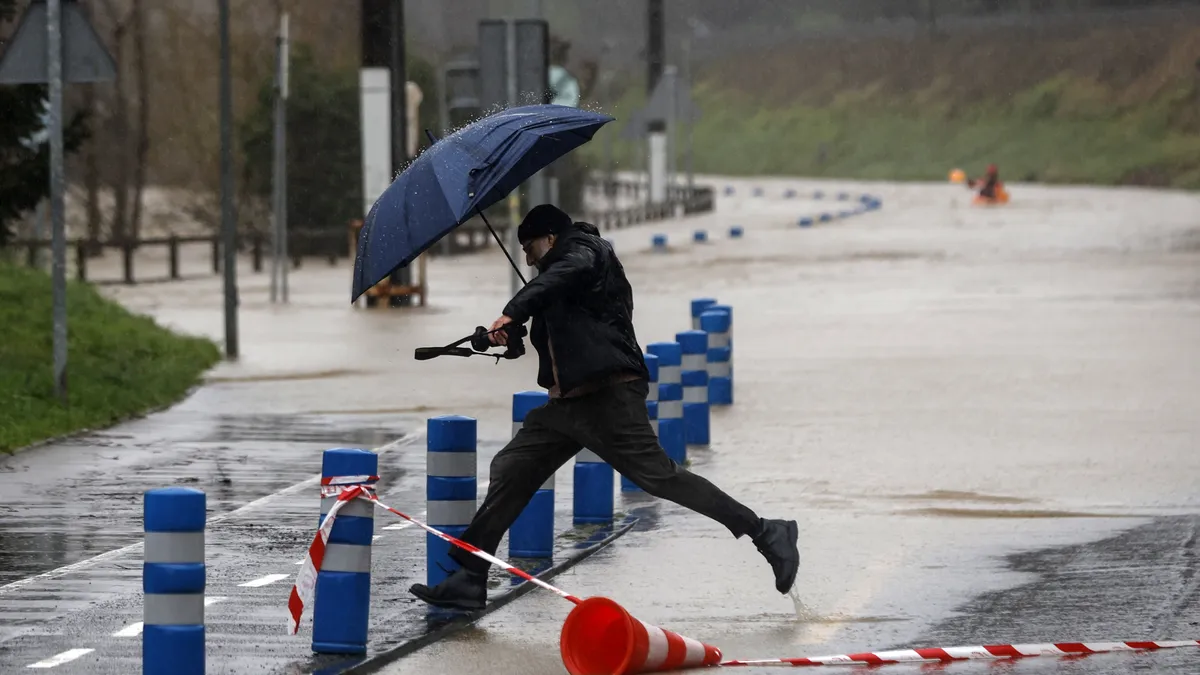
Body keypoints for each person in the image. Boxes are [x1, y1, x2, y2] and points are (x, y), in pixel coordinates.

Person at [408, 204, 800, 611]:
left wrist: (513, 309)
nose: (527, 258)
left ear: (551, 238)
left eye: (530, 247)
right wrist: (506, 339)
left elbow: (564, 275)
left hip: (608, 397)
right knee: (511, 468)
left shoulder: (588, 252)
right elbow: (548, 342)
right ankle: (470, 577)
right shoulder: (553, 280)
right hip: (565, 406)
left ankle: (766, 531)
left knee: (659, 478)